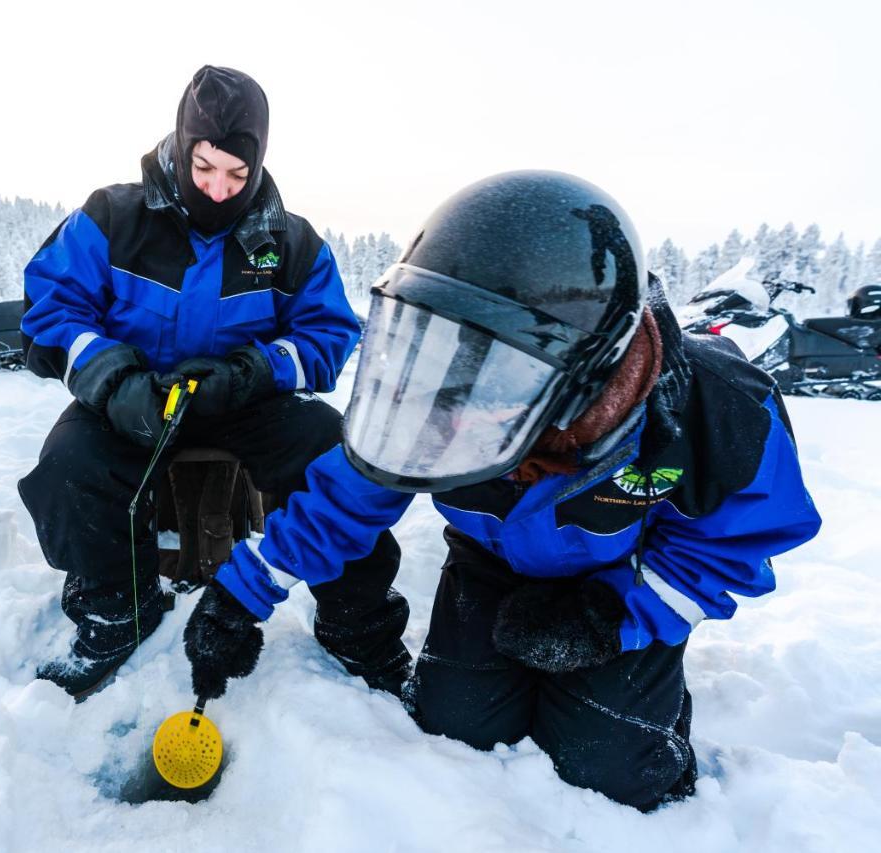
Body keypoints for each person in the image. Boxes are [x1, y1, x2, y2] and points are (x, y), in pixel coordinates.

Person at [183, 170, 823, 811]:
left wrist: (611, 618)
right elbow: (350, 495)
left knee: (610, 768)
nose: (455, 410)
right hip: (490, 567)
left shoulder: (714, 409)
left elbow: (737, 542)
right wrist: (243, 593)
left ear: (577, 375)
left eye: (490, 382)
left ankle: (650, 718)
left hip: (623, 583)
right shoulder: (446, 383)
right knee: (456, 729)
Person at [18, 66, 410, 699]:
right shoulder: (112, 216)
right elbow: (53, 307)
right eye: (205, 168)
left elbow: (329, 334)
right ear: (182, 143)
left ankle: (358, 625)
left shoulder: (290, 240)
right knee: (69, 467)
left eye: (238, 174)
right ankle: (118, 612)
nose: (220, 189)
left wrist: (256, 371)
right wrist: (114, 380)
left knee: (334, 457)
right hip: (133, 395)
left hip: (240, 398)